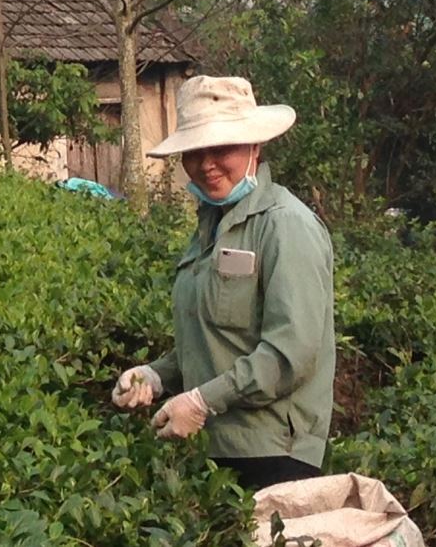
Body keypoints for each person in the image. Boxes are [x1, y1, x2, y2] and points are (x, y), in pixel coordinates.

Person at [110, 75, 335, 491]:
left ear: (255, 145)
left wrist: (201, 401)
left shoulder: (285, 225)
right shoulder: (210, 228)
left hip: (273, 455)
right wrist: (156, 376)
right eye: (195, 151)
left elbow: (290, 354)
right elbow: (213, 340)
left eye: (221, 148)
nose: (206, 163)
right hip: (213, 451)